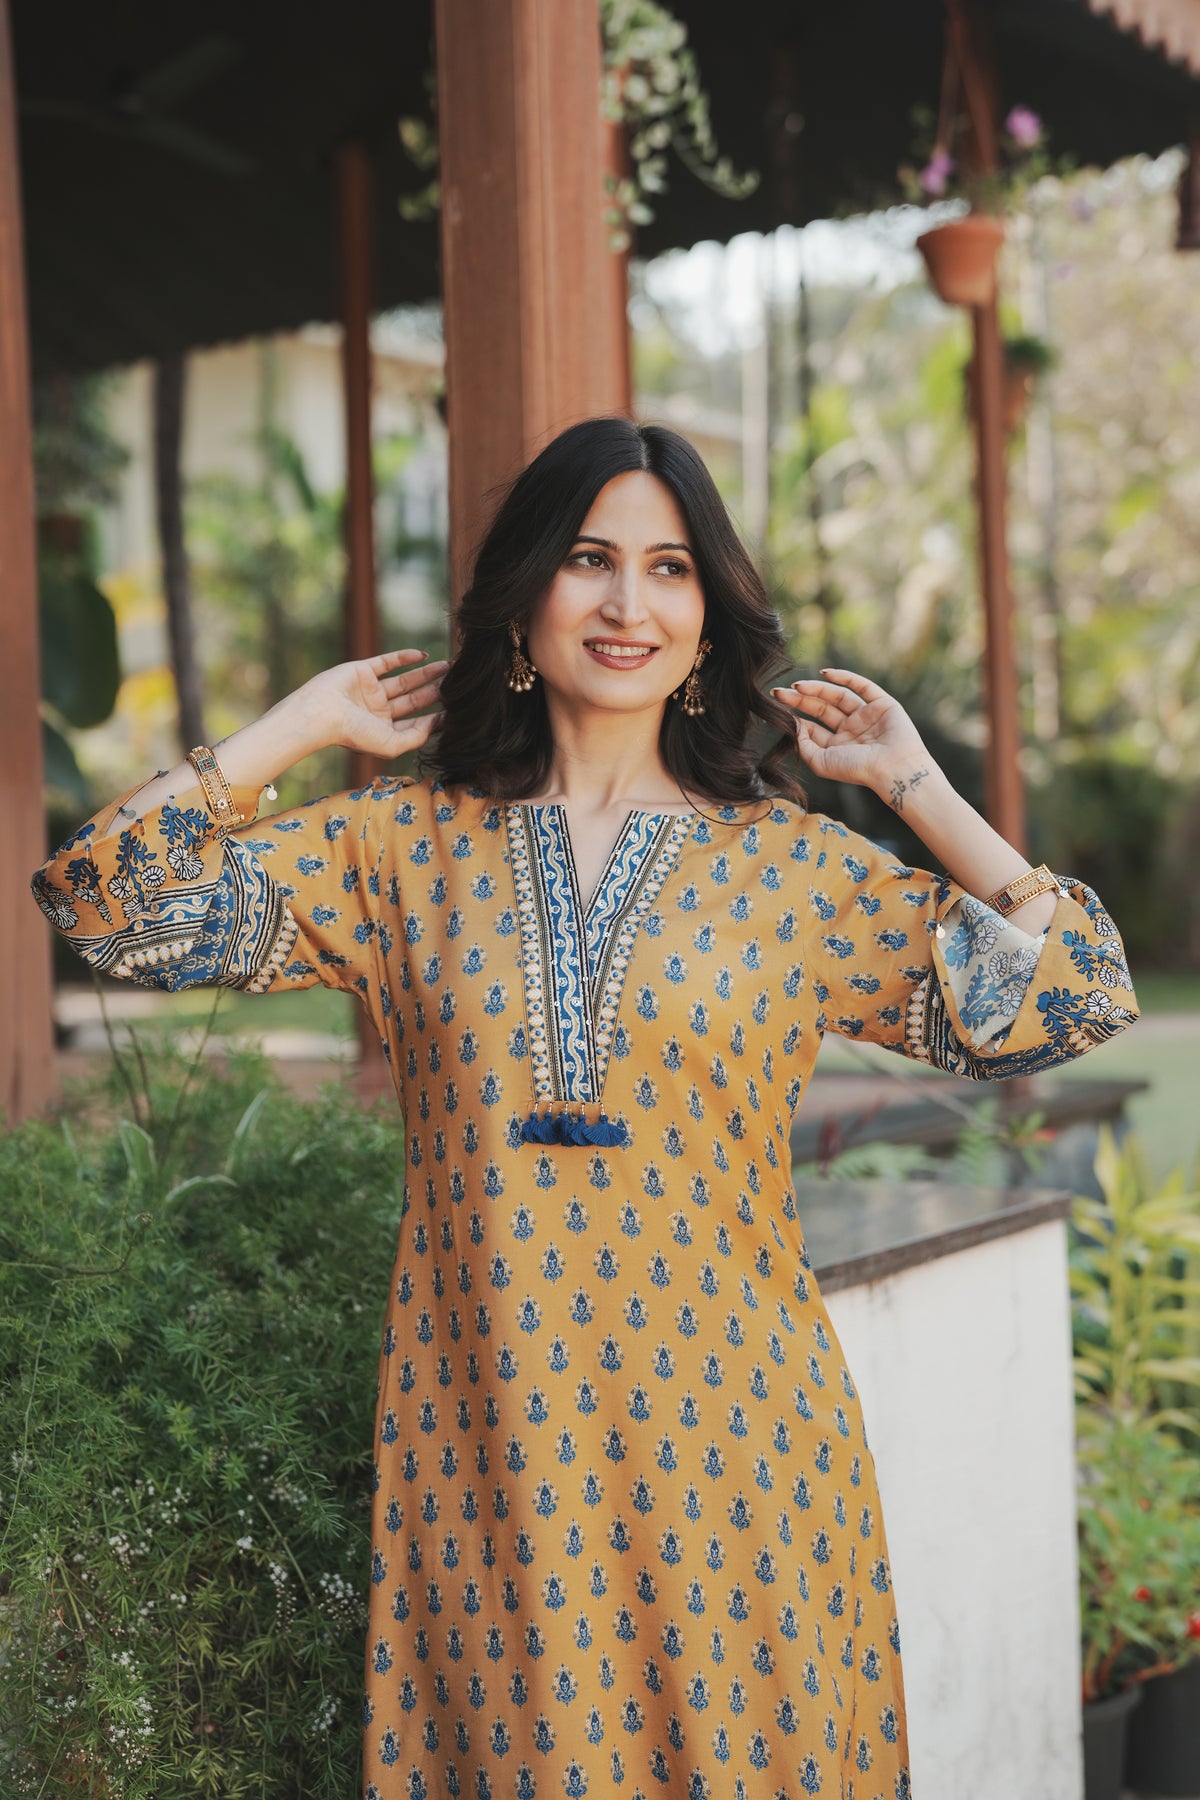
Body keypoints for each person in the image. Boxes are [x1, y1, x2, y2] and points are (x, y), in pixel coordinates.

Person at [33, 416, 1138, 1800]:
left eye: (670, 570)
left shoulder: (797, 871)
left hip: (742, 1452)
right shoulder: (401, 846)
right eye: (589, 560)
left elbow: (1077, 995)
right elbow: (107, 904)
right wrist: (300, 727)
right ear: (524, 596)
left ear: (707, 617)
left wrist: (914, 788)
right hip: (488, 1457)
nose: (629, 604)